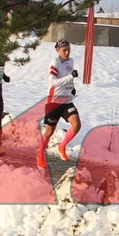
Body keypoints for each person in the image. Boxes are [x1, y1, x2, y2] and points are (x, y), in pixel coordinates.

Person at [38, 39, 81, 167]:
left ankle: (62, 146)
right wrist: (70, 78)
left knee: (77, 125)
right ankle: (40, 154)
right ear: (58, 50)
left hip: (66, 100)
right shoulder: (55, 63)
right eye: (64, 50)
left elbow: (67, 76)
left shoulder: (71, 61)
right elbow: (53, 82)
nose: (67, 53)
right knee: (50, 131)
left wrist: (71, 87)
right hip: (54, 101)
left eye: (69, 50)